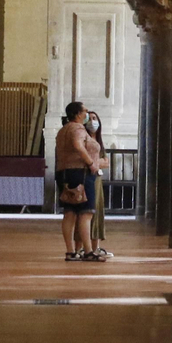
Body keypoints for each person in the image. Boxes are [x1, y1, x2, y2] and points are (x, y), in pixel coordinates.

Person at [55, 101, 107, 261]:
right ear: (78, 114)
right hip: (80, 173)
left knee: (69, 212)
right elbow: (78, 145)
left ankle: (70, 251)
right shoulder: (77, 128)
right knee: (86, 213)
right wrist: (91, 163)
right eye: (84, 111)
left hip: (64, 172)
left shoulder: (63, 130)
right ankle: (89, 251)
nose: (86, 114)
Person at [85, 110, 113, 260]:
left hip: (97, 180)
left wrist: (95, 163)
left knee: (97, 211)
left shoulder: (100, 141)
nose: (92, 121)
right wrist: (97, 163)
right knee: (87, 212)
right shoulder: (83, 139)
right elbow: (87, 161)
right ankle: (85, 246)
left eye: (95, 118)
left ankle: (95, 247)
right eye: (89, 118)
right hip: (87, 179)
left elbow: (106, 162)